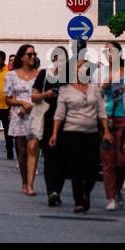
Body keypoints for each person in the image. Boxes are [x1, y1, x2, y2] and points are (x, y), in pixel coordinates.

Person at [49, 48, 110, 214]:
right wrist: (55, 133)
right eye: (79, 67)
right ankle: (79, 201)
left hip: (91, 132)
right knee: (76, 168)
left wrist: (106, 130)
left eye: (85, 67)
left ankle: (85, 192)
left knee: (91, 169)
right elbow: (59, 114)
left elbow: (101, 111)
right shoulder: (66, 90)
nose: (82, 70)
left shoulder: (94, 89)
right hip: (72, 132)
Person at [100, 42, 125, 210]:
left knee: (124, 161)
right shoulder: (101, 73)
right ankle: (111, 197)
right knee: (108, 161)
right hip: (107, 120)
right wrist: (101, 88)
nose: (109, 54)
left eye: (112, 50)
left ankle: (117, 189)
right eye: (106, 51)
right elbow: (95, 98)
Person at [6, 44, 41, 195]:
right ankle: (24, 181)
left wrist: (32, 105)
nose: (33, 57)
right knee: (21, 151)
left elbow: (42, 95)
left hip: (35, 115)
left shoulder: (40, 75)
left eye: (34, 54)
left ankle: (31, 185)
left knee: (33, 148)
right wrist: (22, 103)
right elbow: (8, 99)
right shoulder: (12, 76)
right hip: (19, 115)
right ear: (22, 57)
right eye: (29, 55)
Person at [36, 46, 66, 205]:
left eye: (63, 59)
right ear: (53, 60)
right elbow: (34, 96)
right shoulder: (44, 75)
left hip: (65, 122)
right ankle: (51, 191)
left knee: (62, 160)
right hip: (47, 120)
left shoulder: (69, 77)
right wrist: (45, 95)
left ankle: (57, 190)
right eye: (58, 59)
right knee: (49, 158)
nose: (60, 62)